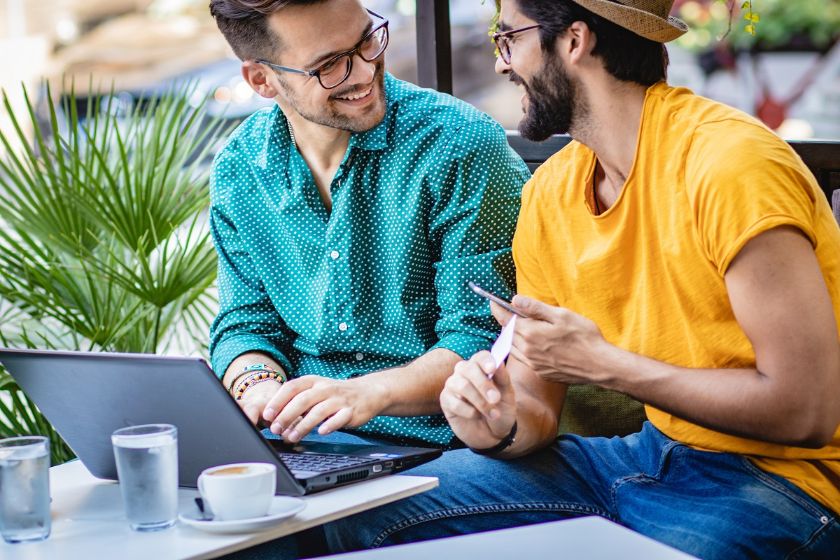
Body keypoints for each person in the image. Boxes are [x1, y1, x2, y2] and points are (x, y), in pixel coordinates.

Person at [323, 1, 840, 558]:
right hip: (641, 458)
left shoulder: (730, 166)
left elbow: (807, 410)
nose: (502, 64)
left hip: (784, 481)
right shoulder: (552, 194)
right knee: (363, 514)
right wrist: (497, 425)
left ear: (573, 41)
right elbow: (535, 404)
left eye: (509, 39)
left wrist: (606, 365)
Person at [207, 0, 529, 450]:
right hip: (302, 445)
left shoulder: (457, 145)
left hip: (437, 451)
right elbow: (247, 323)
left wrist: (366, 394)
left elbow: (484, 339)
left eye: (366, 41)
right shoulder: (240, 169)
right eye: (329, 65)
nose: (362, 72)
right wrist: (257, 387)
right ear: (262, 79)